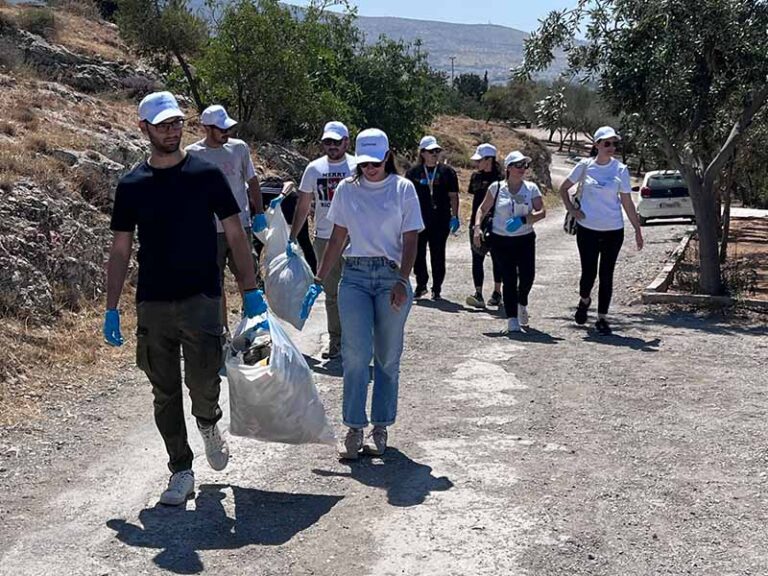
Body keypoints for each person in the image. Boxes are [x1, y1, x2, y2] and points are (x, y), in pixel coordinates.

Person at [103, 92, 266, 506]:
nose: (172, 131)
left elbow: (235, 234)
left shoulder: (205, 174)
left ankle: (209, 422)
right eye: (162, 125)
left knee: (203, 381)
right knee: (164, 391)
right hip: (153, 301)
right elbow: (120, 248)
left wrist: (250, 291)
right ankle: (181, 469)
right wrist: (111, 308)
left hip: (201, 296)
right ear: (144, 128)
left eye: (176, 123)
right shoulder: (132, 185)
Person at [301, 128, 424, 460]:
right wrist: (319, 278)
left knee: (387, 356)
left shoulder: (403, 189)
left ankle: (380, 427)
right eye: (365, 163)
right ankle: (354, 427)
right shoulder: (346, 189)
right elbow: (337, 237)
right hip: (354, 275)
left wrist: (402, 281)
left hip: (390, 276)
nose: (370, 169)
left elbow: (411, 239)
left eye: (375, 163)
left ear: (387, 157)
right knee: (355, 355)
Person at [185, 105, 266, 330]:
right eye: (221, 129)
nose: (226, 133)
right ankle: (222, 332)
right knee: (215, 283)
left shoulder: (239, 148)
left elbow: (252, 181)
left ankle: (252, 326)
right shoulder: (193, 154)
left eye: (228, 128)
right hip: (209, 230)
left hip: (240, 226)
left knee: (247, 278)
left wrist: (259, 213)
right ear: (207, 128)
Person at [559, 126, 644, 335]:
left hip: (613, 230)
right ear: (597, 145)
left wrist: (637, 229)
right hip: (587, 229)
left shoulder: (621, 170)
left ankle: (602, 318)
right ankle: (584, 300)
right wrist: (572, 209)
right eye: (607, 143)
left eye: (614, 143)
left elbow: (627, 202)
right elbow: (563, 188)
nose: (611, 147)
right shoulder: (584, 166)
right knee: (588, 273)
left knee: (607, 274)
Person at [289, 121, 356, 359]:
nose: (332, 146)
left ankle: (356, 341)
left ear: (346, 142)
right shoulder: (314, 169)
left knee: (356, 292)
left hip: (355, 239)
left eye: (336, 142)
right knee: (331, 294)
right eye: (328, 142)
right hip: (325, 238)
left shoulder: (358, 166)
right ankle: (336, 341)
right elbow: (304, 205)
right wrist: (292, 237)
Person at [473, 151, 546, 333]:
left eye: (525, 165)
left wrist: (524, 220)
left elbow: (541, 212)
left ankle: (522, 303)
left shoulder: (531, 188)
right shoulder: (497, 188)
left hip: (525, 239)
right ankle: (512, 319)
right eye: (518, 165)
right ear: (509, 168)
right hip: (501, 240)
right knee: (509, 278)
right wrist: (477, 228)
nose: (522, 169)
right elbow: (482, 209)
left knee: (528, 276)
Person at [405, 135, 459, 300]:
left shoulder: (447, 172)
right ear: (422, 153)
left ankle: (437, 287)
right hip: (419, 220)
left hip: (440, 220)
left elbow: (453, 196)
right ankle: (421, 284)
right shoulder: (413, 173)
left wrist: (455, 216)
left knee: (438, 254)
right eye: (431, 151)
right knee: (418, 254)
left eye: (437, 150)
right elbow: (406, 197)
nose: (435, 154)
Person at [465, 143, 504, 309]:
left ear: (489, 160)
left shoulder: (502, 179)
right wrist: (476, 224)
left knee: (497, 259)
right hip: (477, 222)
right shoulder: (475, 177)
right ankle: (478, 293)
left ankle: (497, 292)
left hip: (496, 224)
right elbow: (475, 200)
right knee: (477, 257)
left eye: (479, 160)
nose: (476, 163)